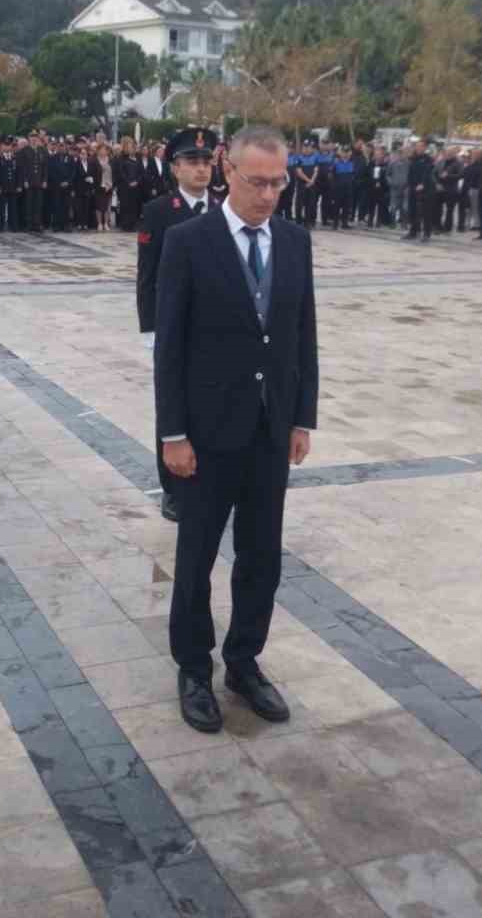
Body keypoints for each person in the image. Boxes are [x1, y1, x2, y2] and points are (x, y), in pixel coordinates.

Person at [156, 125, 318, 734]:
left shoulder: (296, 242)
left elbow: (303, 335)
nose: (270, 194)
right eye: (258, 182)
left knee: (261, 556)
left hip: (269, 429)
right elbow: (169, 348)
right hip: (204, 433)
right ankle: (193, 668)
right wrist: (172, 434)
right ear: (228, 171)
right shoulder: (188, 243)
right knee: (196, 556)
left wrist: (302, 416)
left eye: (279, 182)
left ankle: (244, 662)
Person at [136, 127, 217, 522]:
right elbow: (146, 276)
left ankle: (207, 478)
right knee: (172, 406)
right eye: (192, 162)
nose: (201, 169)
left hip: (215, 331)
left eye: (207, 161)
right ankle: (171, 488)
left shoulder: (224, 208)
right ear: (175, 168)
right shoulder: (159, 211)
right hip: (173, 327)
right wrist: (150, 329)